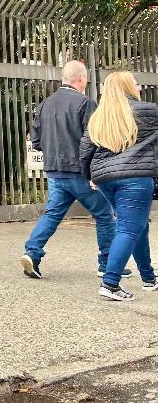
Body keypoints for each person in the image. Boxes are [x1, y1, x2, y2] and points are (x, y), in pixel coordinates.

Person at [20, 60, 120, 280]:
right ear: (81, 78)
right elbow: (95, 139)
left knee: (53, 214)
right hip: (80, 172)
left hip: (54, 171)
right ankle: (107, 264)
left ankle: (32, 253)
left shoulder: (45, 104)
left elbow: (36, 141)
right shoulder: (85, 103)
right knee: (105, 215)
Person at [80, 71, 158, 301]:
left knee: (137, 225)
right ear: (127, 87)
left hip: (106, 180)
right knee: (129, 229)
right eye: (134, 82)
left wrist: (90, 177)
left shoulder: (99, 116)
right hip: (136, 178)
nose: (139, 86)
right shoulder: (150, 111)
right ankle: (111, 283)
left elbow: (85, 150)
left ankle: (148, 277)